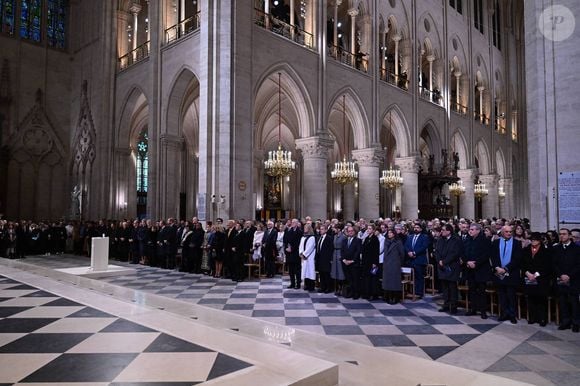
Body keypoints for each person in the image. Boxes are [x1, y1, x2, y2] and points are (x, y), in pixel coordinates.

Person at [490, 225, 522, 324]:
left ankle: (512, 315)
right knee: (502, 295)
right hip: (498, 272)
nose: (509, 233)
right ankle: (504, 313)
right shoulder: (496, 242)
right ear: (502, 232)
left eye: (510, 232)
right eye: (507, 232)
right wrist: (497, 267)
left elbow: (517, 259)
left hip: (511, 273)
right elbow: (493, 256)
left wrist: (506, 268)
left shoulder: (517, 243)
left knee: (511, 295)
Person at [521, 232, 551, 326]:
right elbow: (522, 264)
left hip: (541, 278)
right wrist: (527, 273)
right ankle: (532, 317)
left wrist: (536, 274)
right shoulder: (526, 250)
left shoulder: (546, 251)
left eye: (535, 240)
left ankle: (542, 318)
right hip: (528, 277)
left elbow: (547, 266)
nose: (533, 241)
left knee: (541, 299)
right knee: (530, 298)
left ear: (540, 241)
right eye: (532, 240)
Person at [553, 228, 580, 332]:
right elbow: (554, 264)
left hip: (573, 279)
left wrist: (569, 275)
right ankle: (565, 321)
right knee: (562, 301)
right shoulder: (556, 248)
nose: (561, 236)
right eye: (560, 234)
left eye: (564, 234)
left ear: (569, 236)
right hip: (560, 278)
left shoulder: (577, 249)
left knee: (574, 302)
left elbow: (578, 265)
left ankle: (576, 322)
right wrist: (561, 275)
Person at [463, 223, 491, 319]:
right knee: (472, 290)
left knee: (481, 291)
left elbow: (486, 255)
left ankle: (483, 311)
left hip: (481, 269)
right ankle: (473, 309)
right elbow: (463, 252)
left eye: (472, 229)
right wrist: (467, 262)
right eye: (470, 229)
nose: (470, 231)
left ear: (478, 230)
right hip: (470, 269)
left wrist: (476, 263)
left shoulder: (485, 240)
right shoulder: (467, 240)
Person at [435, 223, 464, 314]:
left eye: (443, 230)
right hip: (442, 267)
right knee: (445, 287)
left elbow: (454, 253)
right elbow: (437, 251)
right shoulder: (440, 240)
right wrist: (439, 260)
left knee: (452, 287)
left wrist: (445, 261)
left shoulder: (456, 240)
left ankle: (454, 306)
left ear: (449, 231)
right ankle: (446, 305)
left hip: (452, 266)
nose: (442, 232)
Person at [404, 222, 430, 298]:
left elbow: (424, 247)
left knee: (419, 276)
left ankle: (419, 292)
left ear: (421, 229)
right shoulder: (410, 236)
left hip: (419, 259)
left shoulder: (424, 237)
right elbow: (406, 245)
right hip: (410, 259)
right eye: (415, 227)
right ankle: (411, 290)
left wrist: (414, 253)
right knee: (411, 276)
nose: (416, 229)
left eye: (418, 227)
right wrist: (408, 252)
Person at [382, 228, 405, 304]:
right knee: (387, 281)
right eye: (388, 233)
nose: (389, 234)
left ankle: (395, 297)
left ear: (394, 234)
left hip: (395, 264)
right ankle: (388, 296)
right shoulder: (386, 241)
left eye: (391, 233)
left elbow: (402, 254)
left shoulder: (398, 242)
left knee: (394, 282)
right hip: (387, 264)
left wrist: (398, 262)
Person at [341, 225, 362, 299]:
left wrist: (352, 260)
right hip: (345, 263)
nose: (350, 232)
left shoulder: (358, 240)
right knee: (349, 279)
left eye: (351, 231)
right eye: (348, 231)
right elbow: (342, 251)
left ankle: (356, 293)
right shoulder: (344, 241)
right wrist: (344, 260)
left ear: (354, 232)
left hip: (354, 263)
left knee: (355, 279)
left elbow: (358, 251)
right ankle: (351, 292)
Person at [361, 224, 380, 300]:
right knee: (366, 278)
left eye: (369, 229)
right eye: (367, 229)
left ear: (373, 230)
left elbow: (376, 252)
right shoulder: (366, 239)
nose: (368, 230)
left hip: (372, 262)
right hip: (366, 261)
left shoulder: (375, 239)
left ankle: (373, 294)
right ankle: (366, 293)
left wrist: (375, 263)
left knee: (373, 278)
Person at [283, 218, 303, 288]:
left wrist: (292, 248)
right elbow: (285, 240)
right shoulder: (289, 231)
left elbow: (299, 243)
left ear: (297, 223)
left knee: (297, 270)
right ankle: (292, 283)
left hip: (296, 253)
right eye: (292, 222)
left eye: (294, 222)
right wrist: (287, 248)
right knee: (291, 270)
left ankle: (298, 284)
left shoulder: (300, 231)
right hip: (289, 253)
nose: (293, 223)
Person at [315, 224, 334, 293]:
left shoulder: (329, 238)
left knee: (327, 274)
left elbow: (331, 249)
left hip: (326, 259)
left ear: (326, 230)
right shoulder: (319, 238)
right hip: (320, 259)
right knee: (321, 274)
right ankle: (322, 287)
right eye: (320, 229)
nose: (321, 230)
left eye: (322, 229)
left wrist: (330, 259)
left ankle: (328, 288)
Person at [299, 223, 316, 291]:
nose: (304, 229)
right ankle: (306, 284)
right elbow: (300, 246)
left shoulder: (312, 237)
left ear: (309, 229)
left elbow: (310, 247)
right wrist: (300, 253)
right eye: (304, 228)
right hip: (304, 257)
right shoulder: (303, 237)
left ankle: (311, 286)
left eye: (306, 228)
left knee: (310, 271)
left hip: (309, 257)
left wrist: (304, 254)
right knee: (305, 271)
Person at [331, 223, 346, 296]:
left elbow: (344, 247)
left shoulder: (343, 237)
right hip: (335, 254)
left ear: (339, 229)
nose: (333, 229)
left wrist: (342, 256)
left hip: (340, 253)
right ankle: (336, 288)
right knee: (335, 272)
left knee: (341, 272)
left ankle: (341, 288)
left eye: (335, 228)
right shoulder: (334, 236)